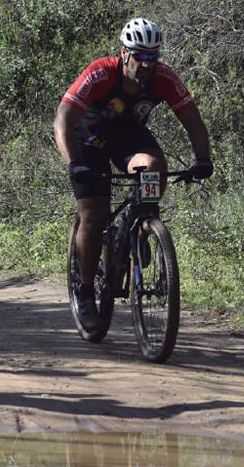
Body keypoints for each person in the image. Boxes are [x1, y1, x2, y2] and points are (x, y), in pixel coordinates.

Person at [53, 17, 214, 330]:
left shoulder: (164, 77)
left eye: (152, 58)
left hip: (128, 140)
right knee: (94, 214)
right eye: (140, 57)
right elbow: (64, 116)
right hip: (89, 142)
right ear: (124, 53)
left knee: (154, 167)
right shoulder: (100, 72)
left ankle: (142, 224)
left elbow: (192, 119)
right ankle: (86, 292)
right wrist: (74, 163)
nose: (146, 65)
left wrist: (203, 158)